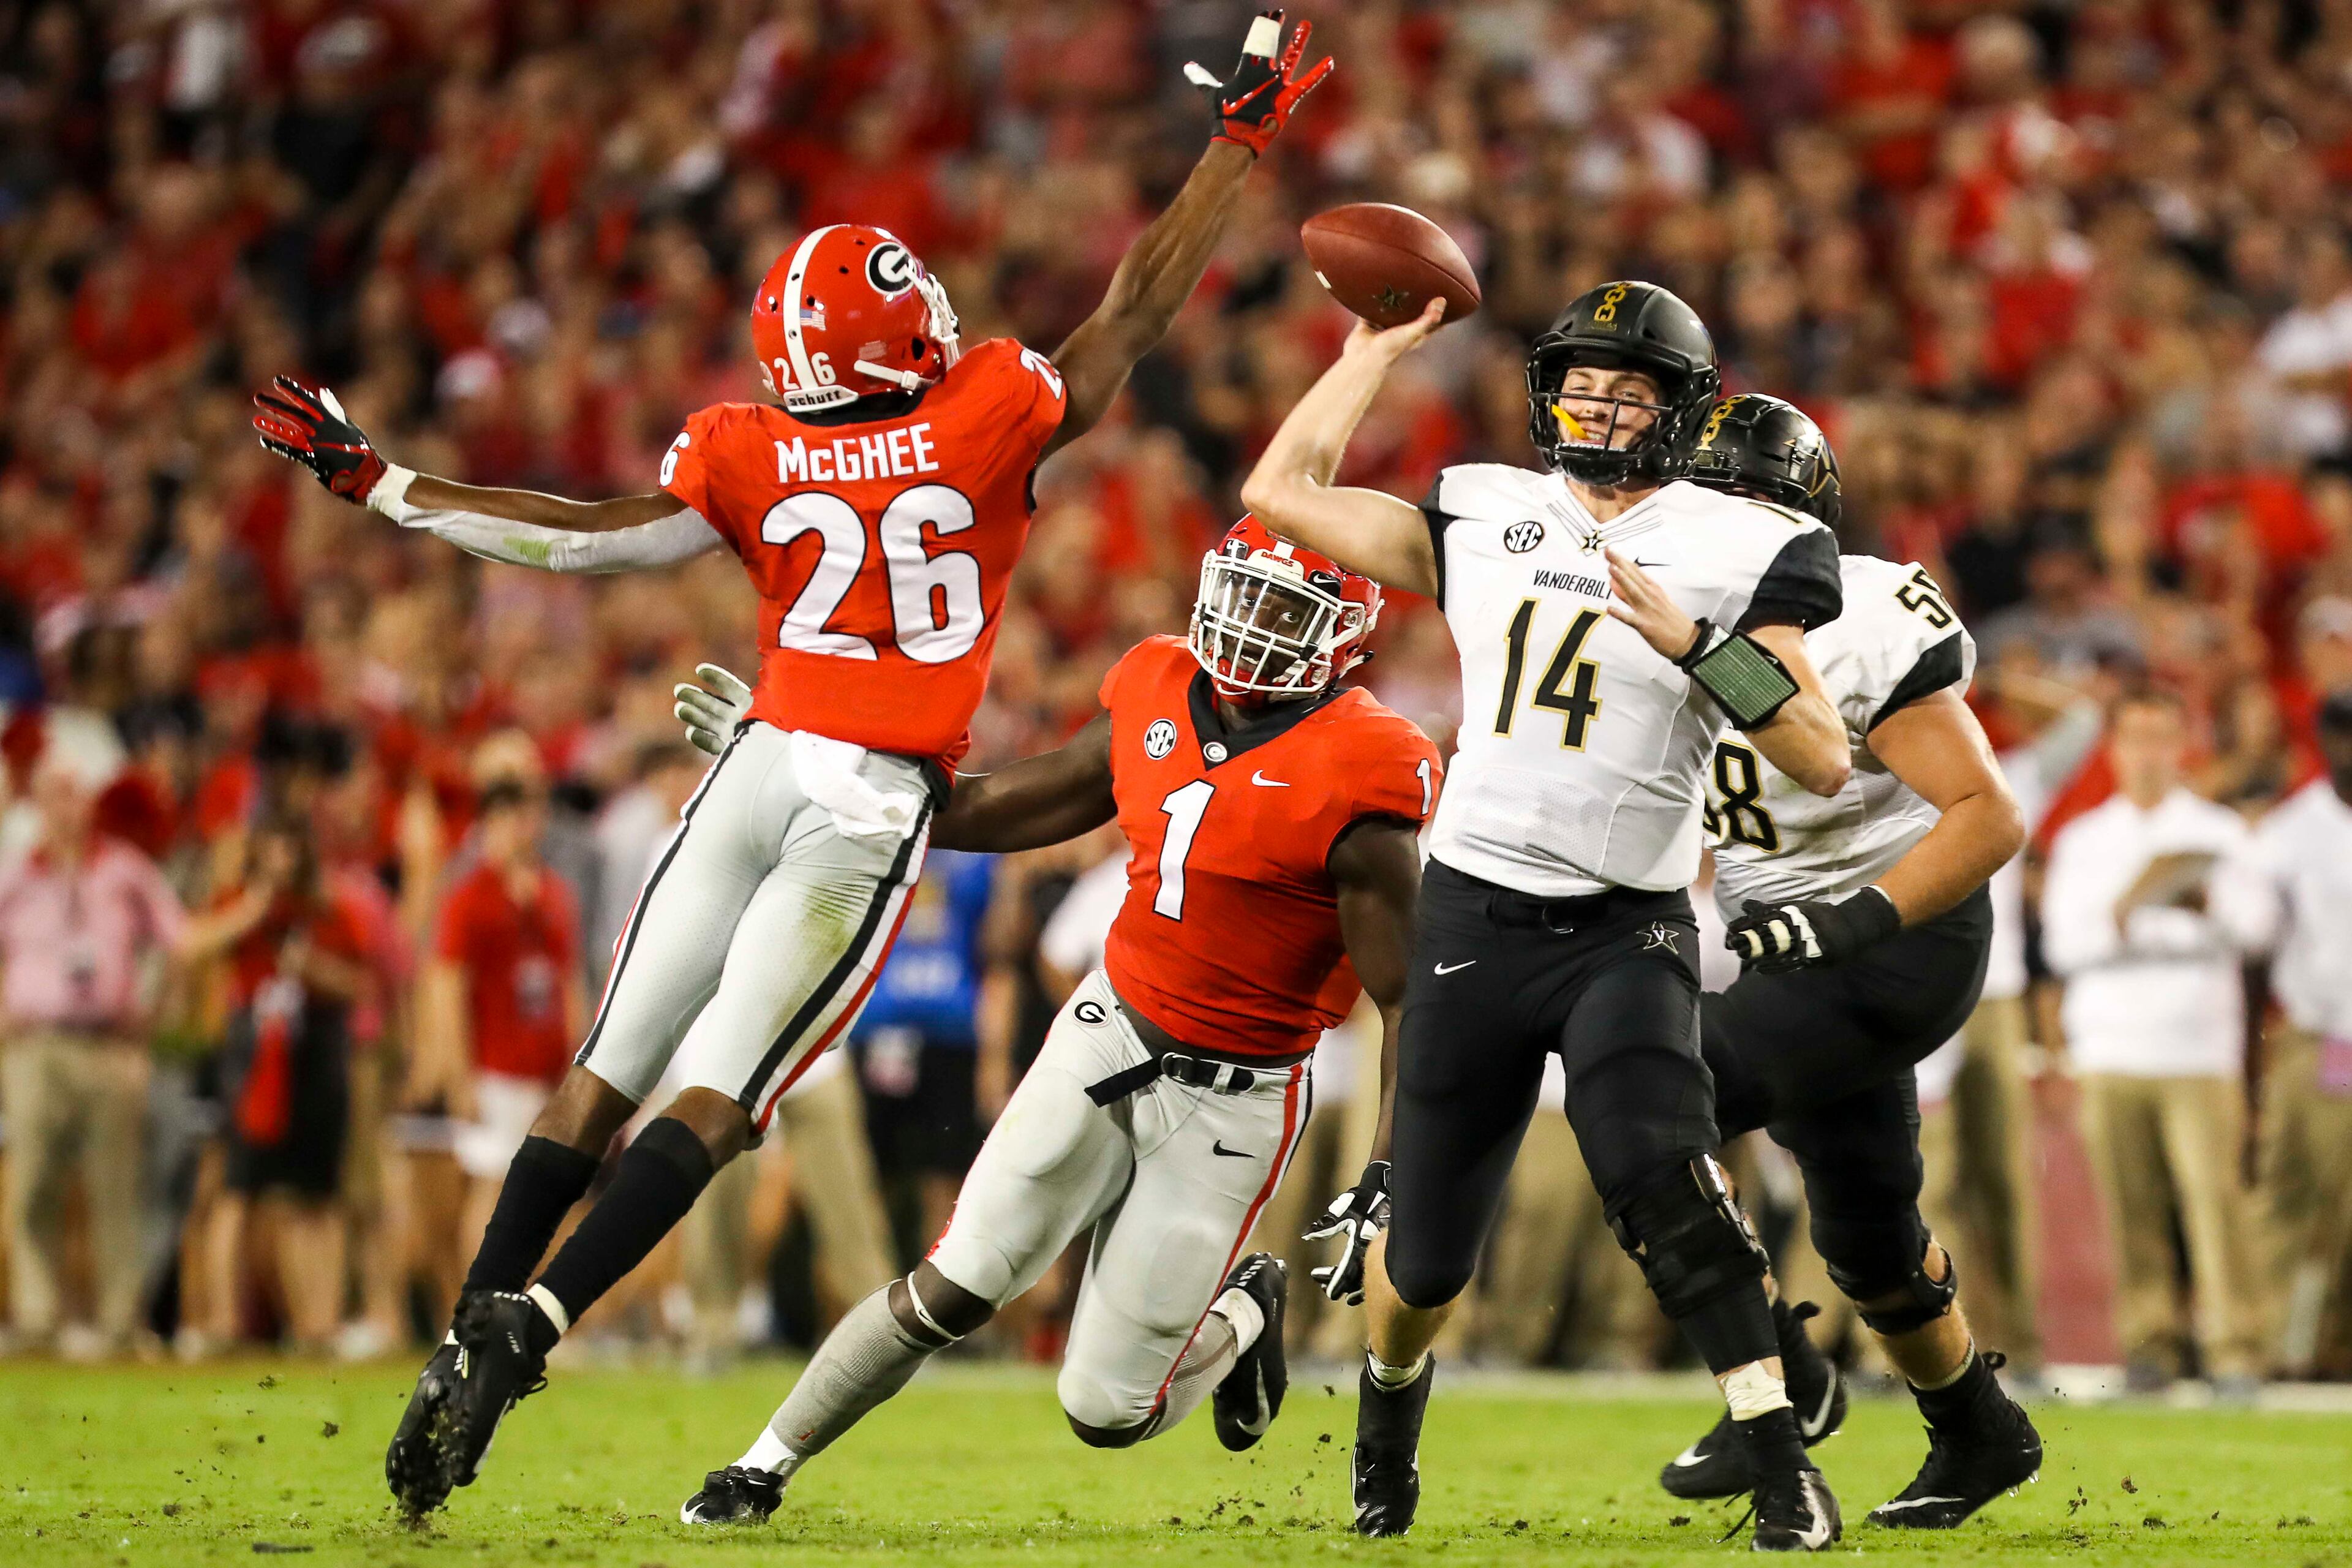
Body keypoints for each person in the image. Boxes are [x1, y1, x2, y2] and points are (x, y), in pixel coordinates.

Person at [249, 9, 1330, 1514]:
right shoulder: (989, 407)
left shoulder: (747, 443)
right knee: (719, 1094)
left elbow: (587, 535)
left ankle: (462, 1334)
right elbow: (1135, 307)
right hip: (871, 799)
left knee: (598, 1077)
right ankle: (534, 1324)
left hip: (751, 764)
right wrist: (1236, 142)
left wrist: (389, 485)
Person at [666, 515, 1434, 1525]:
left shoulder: (1364, 769)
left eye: (1286, 609)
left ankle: (1246, 1310)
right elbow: (994, 808)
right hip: (1106, 1030)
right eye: (1243, 595)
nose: (1253, 626)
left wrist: (1388, 1167)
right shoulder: (1160, 683)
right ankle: (758, 1469)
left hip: (1234, 1098)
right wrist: (804, 771)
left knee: (1105, 1410)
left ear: (1347, 634)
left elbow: (1411, 999)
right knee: (958, 1280)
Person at [1242, 286, 1853, 1549]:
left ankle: (1784, 1462)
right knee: (1422, 1261)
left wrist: (1696, 644)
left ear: (1680, 410)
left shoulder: (1739, 540)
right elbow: (1283, 490)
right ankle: (1388, 1407)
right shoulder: (1488, 508)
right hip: (1472, 909)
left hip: (1624, 923)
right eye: (1585, 379)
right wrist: (1368, 353)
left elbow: (1821, 752)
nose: (1600, 404)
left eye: (1631, 387)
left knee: (1667, 1172)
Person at [1645, 396, 2043, 1528]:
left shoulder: (1857, 613)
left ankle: (1780, 1379)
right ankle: (1980, 1433)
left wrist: (1851, 925)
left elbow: (1987, 813)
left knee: (1659, 1098)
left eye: (1745, 505)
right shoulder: (1653, 614)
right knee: (1866, 1234)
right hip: (1782, 939)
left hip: (1899, 930)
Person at [2042, 688, 2269, 1396]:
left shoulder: (2221, 832)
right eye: (2135, 739)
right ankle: (2150, 1346)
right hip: (2110, 1049)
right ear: (2114, 748)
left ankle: (2236, 1349)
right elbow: (2066, 944)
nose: (2147, 755)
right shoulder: (2084, 839)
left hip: (2199, 1050)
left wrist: (2197, 911)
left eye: (2161, 739)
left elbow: (2257, 927)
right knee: (2129, 1207)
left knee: (2214, 1203)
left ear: (2183, 747)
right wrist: (2136, 921)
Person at [0, 753, 187, 1354]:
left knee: (115, 1188)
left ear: (90, 803)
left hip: (110, 1045)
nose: (65, 806)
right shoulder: (14, 874)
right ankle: (37, 1317)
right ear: (37, 804)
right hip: (36, 1046)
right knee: (32, 1185)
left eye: (75, 793)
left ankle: (119, 1322)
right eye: (53, 794)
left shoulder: (126, 871)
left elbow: (178, 938)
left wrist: (154, 1014)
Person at [414, 779, 589, 1259]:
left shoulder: (555, 894)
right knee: (493, 1187)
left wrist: (580, 1059)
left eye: (529, 815)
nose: (522, 828)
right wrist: (457, 1074)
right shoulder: (469, 897)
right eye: (512, 816)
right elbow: (446, 990)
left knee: (549, 1193)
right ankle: (477, 1302)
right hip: (494, 1066)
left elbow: (569, 979)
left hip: (546, 1065)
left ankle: (529, 1303)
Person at [2244, 692, 2352, 1375]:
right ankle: (2260, 1346)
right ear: (2326, 741)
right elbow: (2254, 957)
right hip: (2317, 1040)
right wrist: (2255, 1059)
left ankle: (2334, 1350)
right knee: (2290, 1195)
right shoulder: (2288, 832)